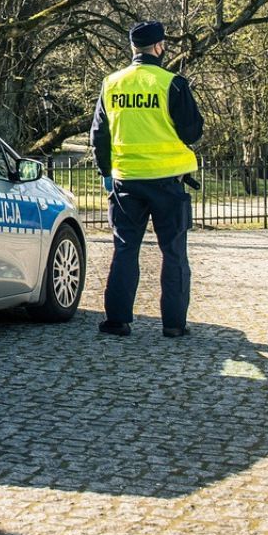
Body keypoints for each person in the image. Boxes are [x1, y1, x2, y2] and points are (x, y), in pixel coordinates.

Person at [90, 20, 203, 338]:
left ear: (132, 48)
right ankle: (174, 324)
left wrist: (106, 173)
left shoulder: (112, 84)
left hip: (126, 180)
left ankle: (117, 320)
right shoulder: (172, 83)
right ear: (159, 47)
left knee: (125, 248)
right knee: (174, 251)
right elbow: (192, 132)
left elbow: (99, 135)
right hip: (167, 181)